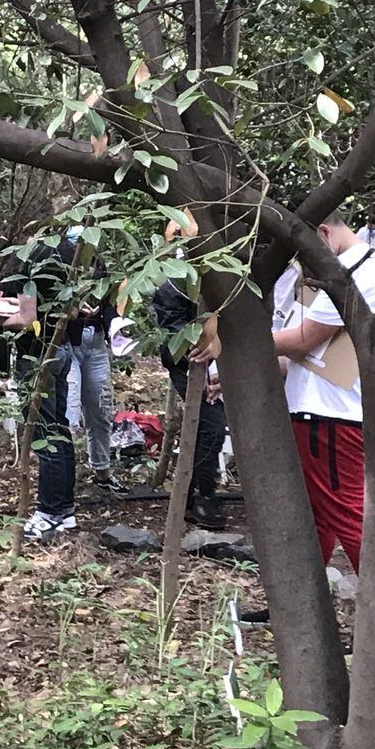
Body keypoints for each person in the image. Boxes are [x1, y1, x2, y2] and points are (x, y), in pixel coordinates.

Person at [270, 211, 375, 577]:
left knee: (348, 513)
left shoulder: (355, 271)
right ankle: (304, 602)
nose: (301, 263)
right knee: (315, 517)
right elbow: (297, 354)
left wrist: (233, 342)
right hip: (314, 411)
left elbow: (304, 339)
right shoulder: (341, 269)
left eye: (303, 251)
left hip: (331, 416)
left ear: (323, 233)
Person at [0, 233, 81, 543]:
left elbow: (27, 317)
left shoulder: (32, 257)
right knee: (59, 428)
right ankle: (64, 510)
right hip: (62, 349)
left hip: (38, 355)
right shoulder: (71, 252)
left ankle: (50, 511)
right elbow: (67, 310)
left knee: (45, 435)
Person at [151, 215, 227, 531]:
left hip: (211, 363)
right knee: (210, 426)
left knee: (210, 427)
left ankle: (201, 494)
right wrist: (197, 360)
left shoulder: (209, 274)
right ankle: (199, 496)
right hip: (191, 364)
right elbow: (173, 339)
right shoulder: (172, 280)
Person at [64, 230, 122, 490]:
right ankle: (62, 479)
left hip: (96, 343)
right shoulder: (63, 264)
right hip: (70, 343)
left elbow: (111, 304)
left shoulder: (100, 267)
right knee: (69, 410)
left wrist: (110, 321)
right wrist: (75, 310)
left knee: (100, 410)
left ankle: (102, 472)